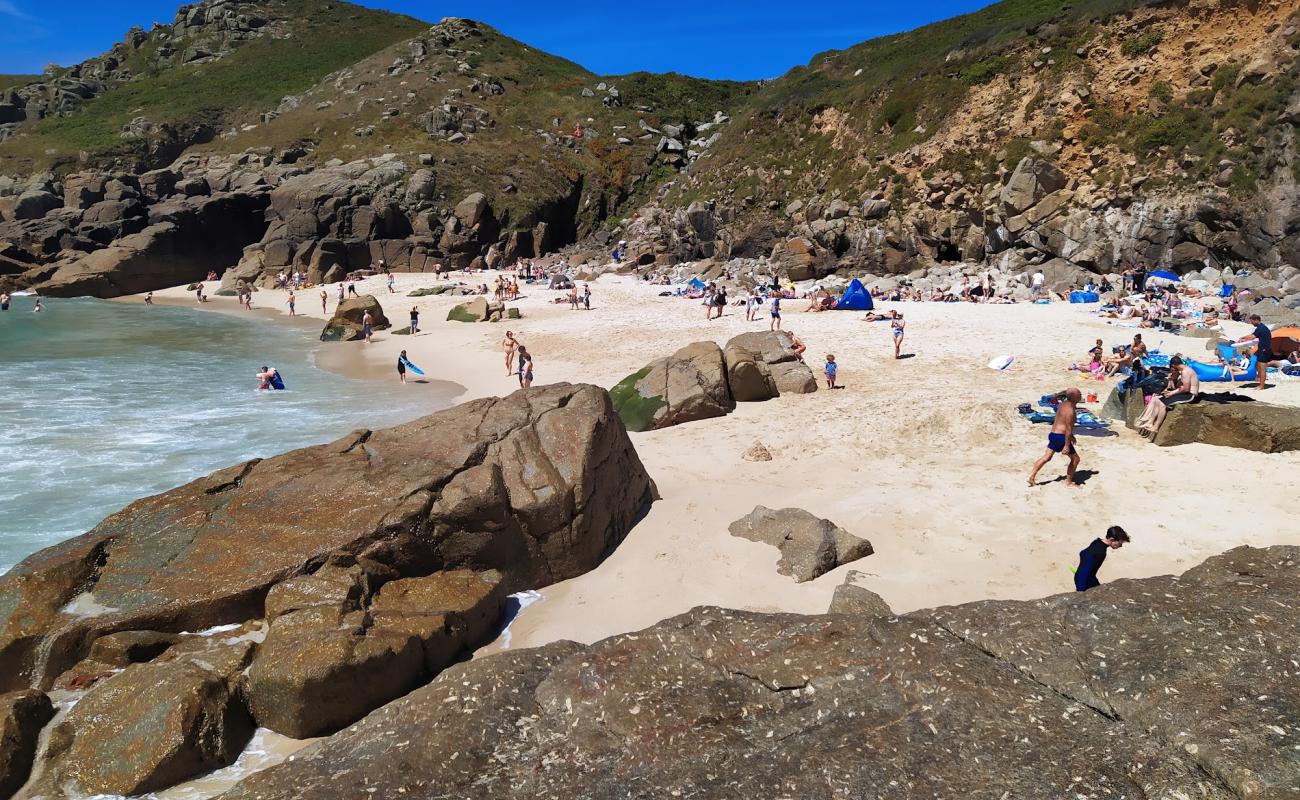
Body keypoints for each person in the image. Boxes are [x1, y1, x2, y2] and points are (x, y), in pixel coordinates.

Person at [1028, 388, 1081, 488]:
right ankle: (1069, 482)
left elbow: (1062, 422)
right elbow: (1068, 429)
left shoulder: (1063, 404)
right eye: (1079, 394)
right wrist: (1066, 445)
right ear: (1075, 397)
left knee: (1046, 457)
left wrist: (1072, 436)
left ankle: (1031, 476)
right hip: (1061, 437)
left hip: (1053, 434)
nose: (1081, 395)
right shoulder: (1070, 411)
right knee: (1075, 459)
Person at [1137, 355, 1200, 438]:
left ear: (1173, 365)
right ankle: (1150, 422)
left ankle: (1156, 427)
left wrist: (1172, 393)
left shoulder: (1185, 372)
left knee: (1163, 404)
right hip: (1184, 393)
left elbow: (1186, 388)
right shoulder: (1185, 370)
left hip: (1189, 395)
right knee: (1158, 400)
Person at [1234, 314, 1284, 390]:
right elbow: (1255, 338)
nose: (1251, 323)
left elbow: (1252, 336)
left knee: (1262, 368)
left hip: (1264, 350)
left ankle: (1261, 386)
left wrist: (1242, 337)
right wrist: (1244, 340)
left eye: (1252, 321)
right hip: (1263, 349)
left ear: (1256, 320)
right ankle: (1259, 380)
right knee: (1258, 366)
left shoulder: (1261, 328)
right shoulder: (1262, 327)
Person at [1075, 526, 1130, 591]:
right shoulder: (1100, 552)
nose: (1121, 546)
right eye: (1120, 543)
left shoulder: (1097, 542)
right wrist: (1081, 592)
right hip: (1085, 582)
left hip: (1089, 579)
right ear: (1112, 539)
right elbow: (1082, 574)